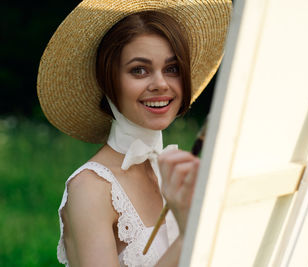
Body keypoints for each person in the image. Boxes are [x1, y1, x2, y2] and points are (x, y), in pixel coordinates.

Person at [37, 0, 231, 266]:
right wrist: (188, 235)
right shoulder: (91, 188)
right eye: (139, 70)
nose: (161, 84)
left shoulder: (177, 172)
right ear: (108, 79)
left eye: (172, 68)